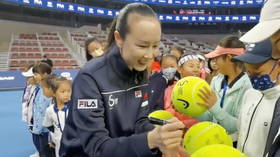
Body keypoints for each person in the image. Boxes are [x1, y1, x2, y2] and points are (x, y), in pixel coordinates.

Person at [60, 3, 185, 157]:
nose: (149, 55)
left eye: (155, 46)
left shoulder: (140, 71)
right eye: (142, 45)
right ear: (119, 38)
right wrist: (151, 139)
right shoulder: (89, 77)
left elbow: (139, 122)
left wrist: (163, 133)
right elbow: (97, 148)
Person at [197, 35, 252, 143]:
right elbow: (209, 117)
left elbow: (238, 127)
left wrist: (215, 107)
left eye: (217, 58)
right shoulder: (216, 80)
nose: (215, 62)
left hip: (233, 145)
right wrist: (192, 109)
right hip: (213, 140)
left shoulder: (248, 87)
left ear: (229, 57)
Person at [231, 40, 280, 157]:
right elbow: (241, 132)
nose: (253, 79)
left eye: (258, 73)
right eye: (249, 73)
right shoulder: (250, 94)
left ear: (278, 65)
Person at [42, 76, 72, 157]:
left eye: (69, 91)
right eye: (62, 91)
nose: (67, 94)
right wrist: (54, 138)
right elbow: (49, 126)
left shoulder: (74, 108)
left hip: (75, 144)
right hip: (59, 145)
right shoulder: (50, 110)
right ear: (54, 93)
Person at [31, 62, 55, 157]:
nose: (34, 76)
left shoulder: (50, 91)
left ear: (45, 74)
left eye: (36, 74)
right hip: (39, 129)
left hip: (47, 131)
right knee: (42, 152)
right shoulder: (39, 89)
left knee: (48, 153)